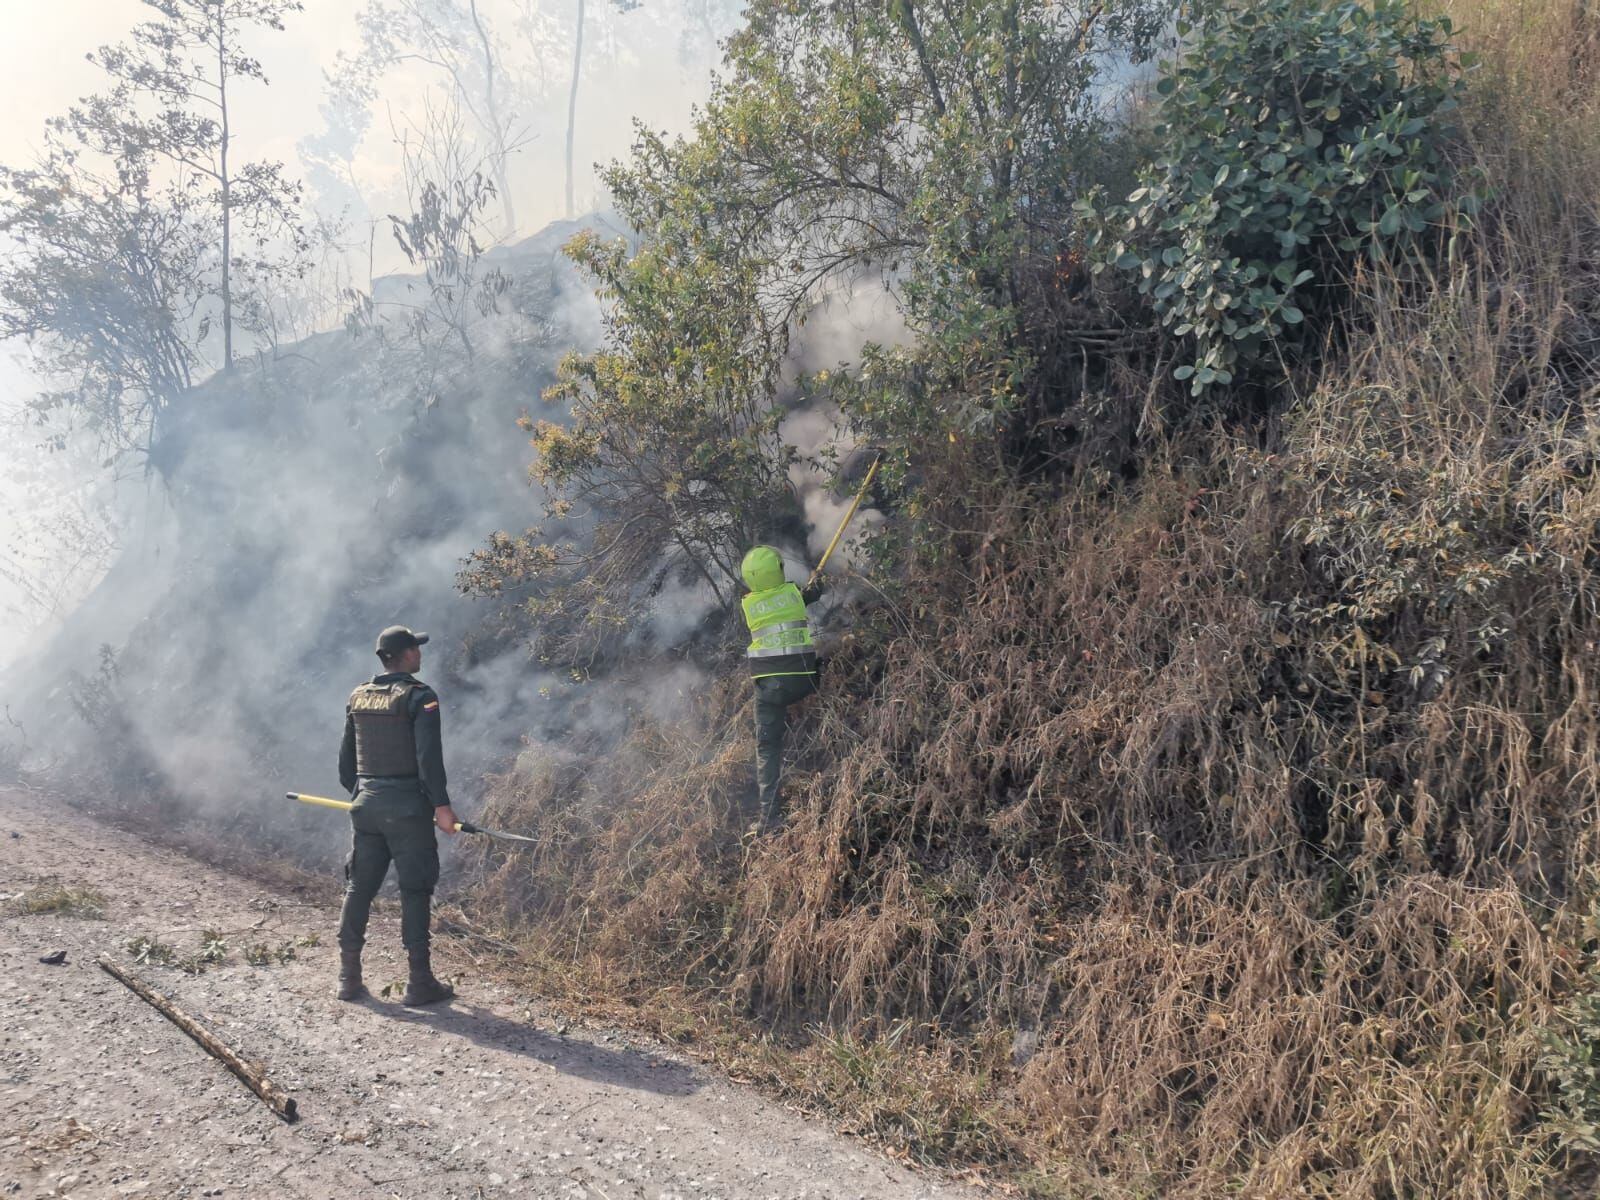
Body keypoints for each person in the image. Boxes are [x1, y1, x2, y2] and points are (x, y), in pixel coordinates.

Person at [334, 625, 458, 1005]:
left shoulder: (358, 697)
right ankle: (419, 982)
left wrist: (366, 794)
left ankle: (348, 978)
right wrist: (441, 807)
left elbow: (345, 767)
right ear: (404, 655)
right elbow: (428, 759)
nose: (420, 655)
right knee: (415, 890)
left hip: (366, 806)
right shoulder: (420, 697)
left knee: (359, 887)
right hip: (407, 809)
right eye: (415, 649)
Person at [740, 546, 824, 831]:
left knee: (767, 747)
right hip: (806, 680)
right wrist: (817, 582)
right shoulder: (793, 593)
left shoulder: (748, 605)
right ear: (778, 570)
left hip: (771, 689)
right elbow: (814, 593)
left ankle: (769, 818)